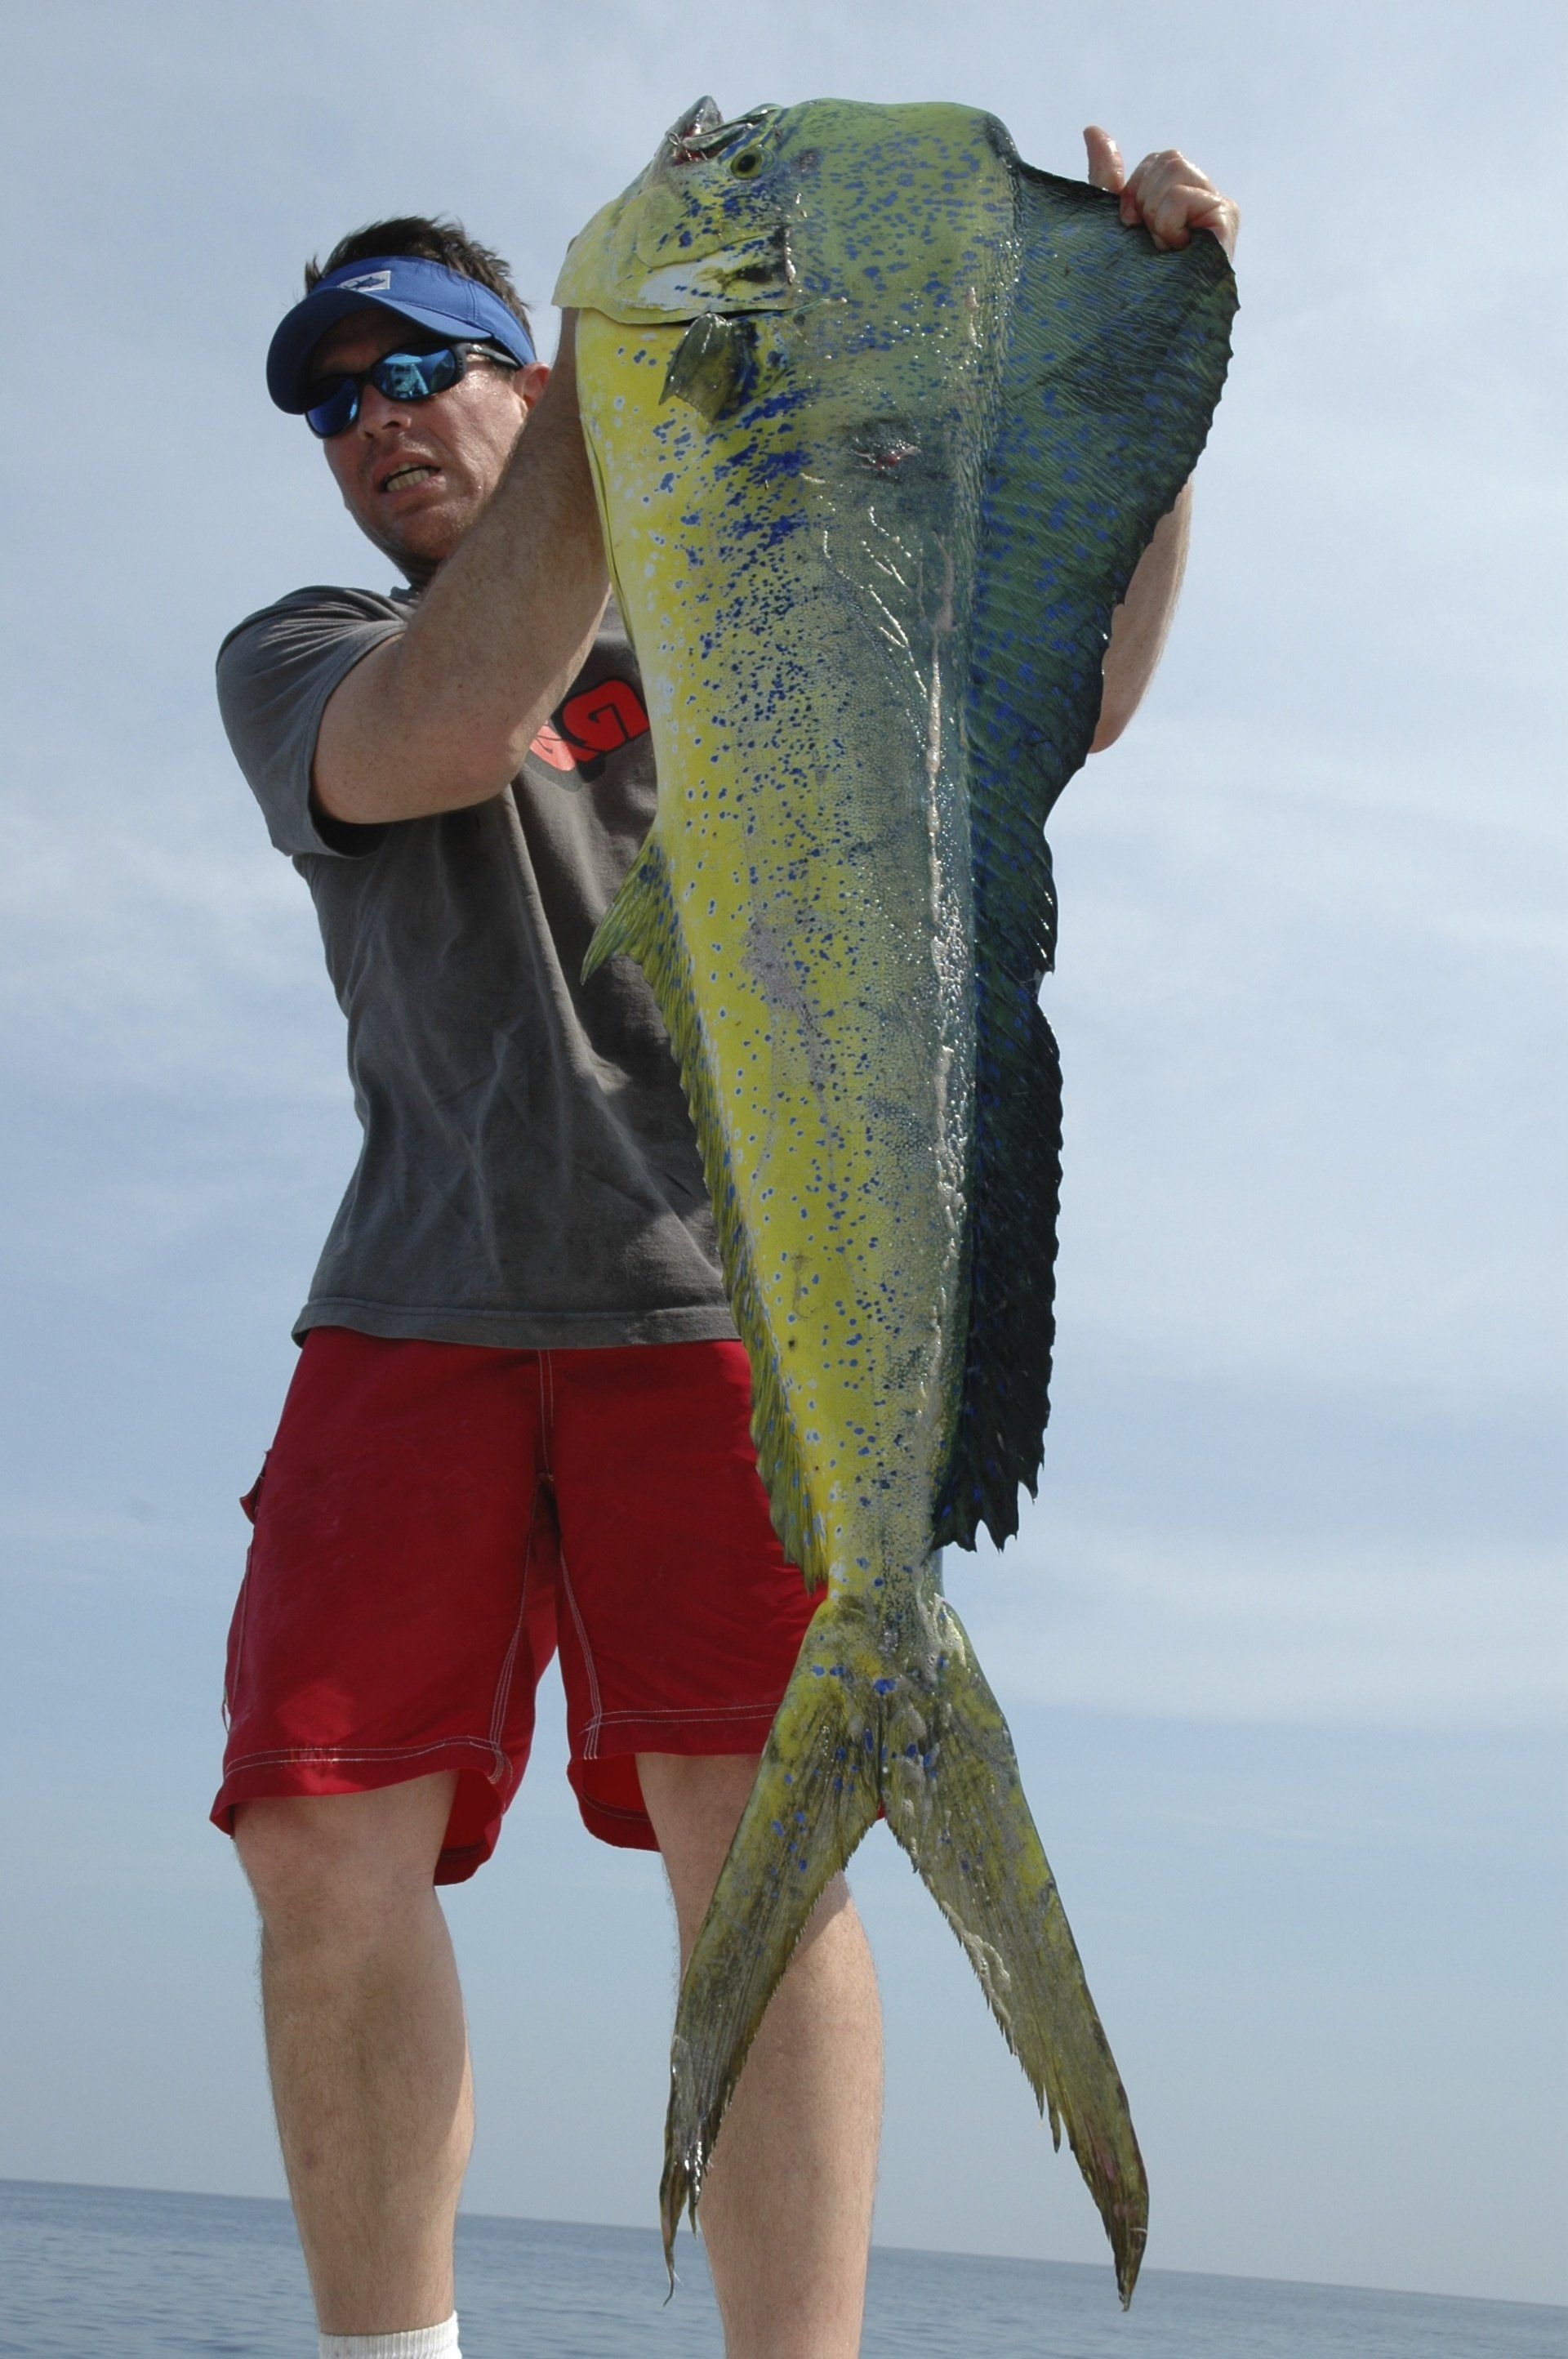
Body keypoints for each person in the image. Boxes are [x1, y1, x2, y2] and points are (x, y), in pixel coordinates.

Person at [211, 125, 1238, 2359]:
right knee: (313, 1835)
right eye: (329, 394)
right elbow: (459, 719)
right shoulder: (302, 654)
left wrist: (1147, 389)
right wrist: (616, 385)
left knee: (741, 1847)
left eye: (419, 364)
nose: (370, 415)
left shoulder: (754, 616)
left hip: (730, 1315)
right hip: (419, 1306)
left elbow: (1059, 703)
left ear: (524, 366)